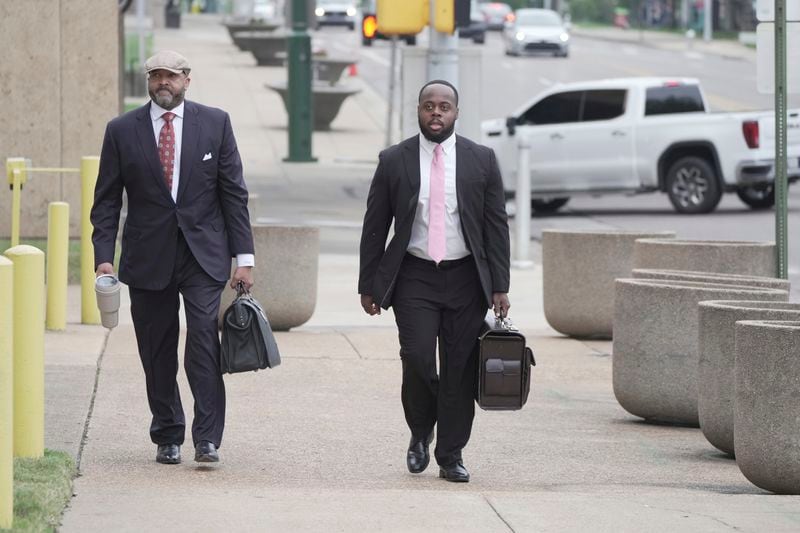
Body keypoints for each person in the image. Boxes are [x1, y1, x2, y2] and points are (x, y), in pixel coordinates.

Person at [91, 50, 255, 465]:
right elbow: (107, 200)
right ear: (148, 81)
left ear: (187, 80)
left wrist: (245, 258)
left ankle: (207, 439)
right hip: (148, 257)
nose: (164, 82)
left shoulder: (215, 123)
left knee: (202, 340)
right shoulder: (121, 130)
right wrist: (104, 257)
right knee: (156, 348)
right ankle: (167, 433)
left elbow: (233, 193)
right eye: (156, 76)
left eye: (172, 76)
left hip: (203, 255)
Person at [358, 80, 511, 483]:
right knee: (418, 358)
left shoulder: (482, 160)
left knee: (460, 370)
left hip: (466, 279)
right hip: (414, 277)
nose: (436, 113)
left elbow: (496, 227)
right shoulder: (395, 160)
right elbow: (375, 226)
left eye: (444, 106)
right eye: (429, 106)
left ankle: (451, 454)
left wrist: (500, 285)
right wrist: (368, 284)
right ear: (419, 111)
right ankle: (421, 429)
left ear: (457, 113)